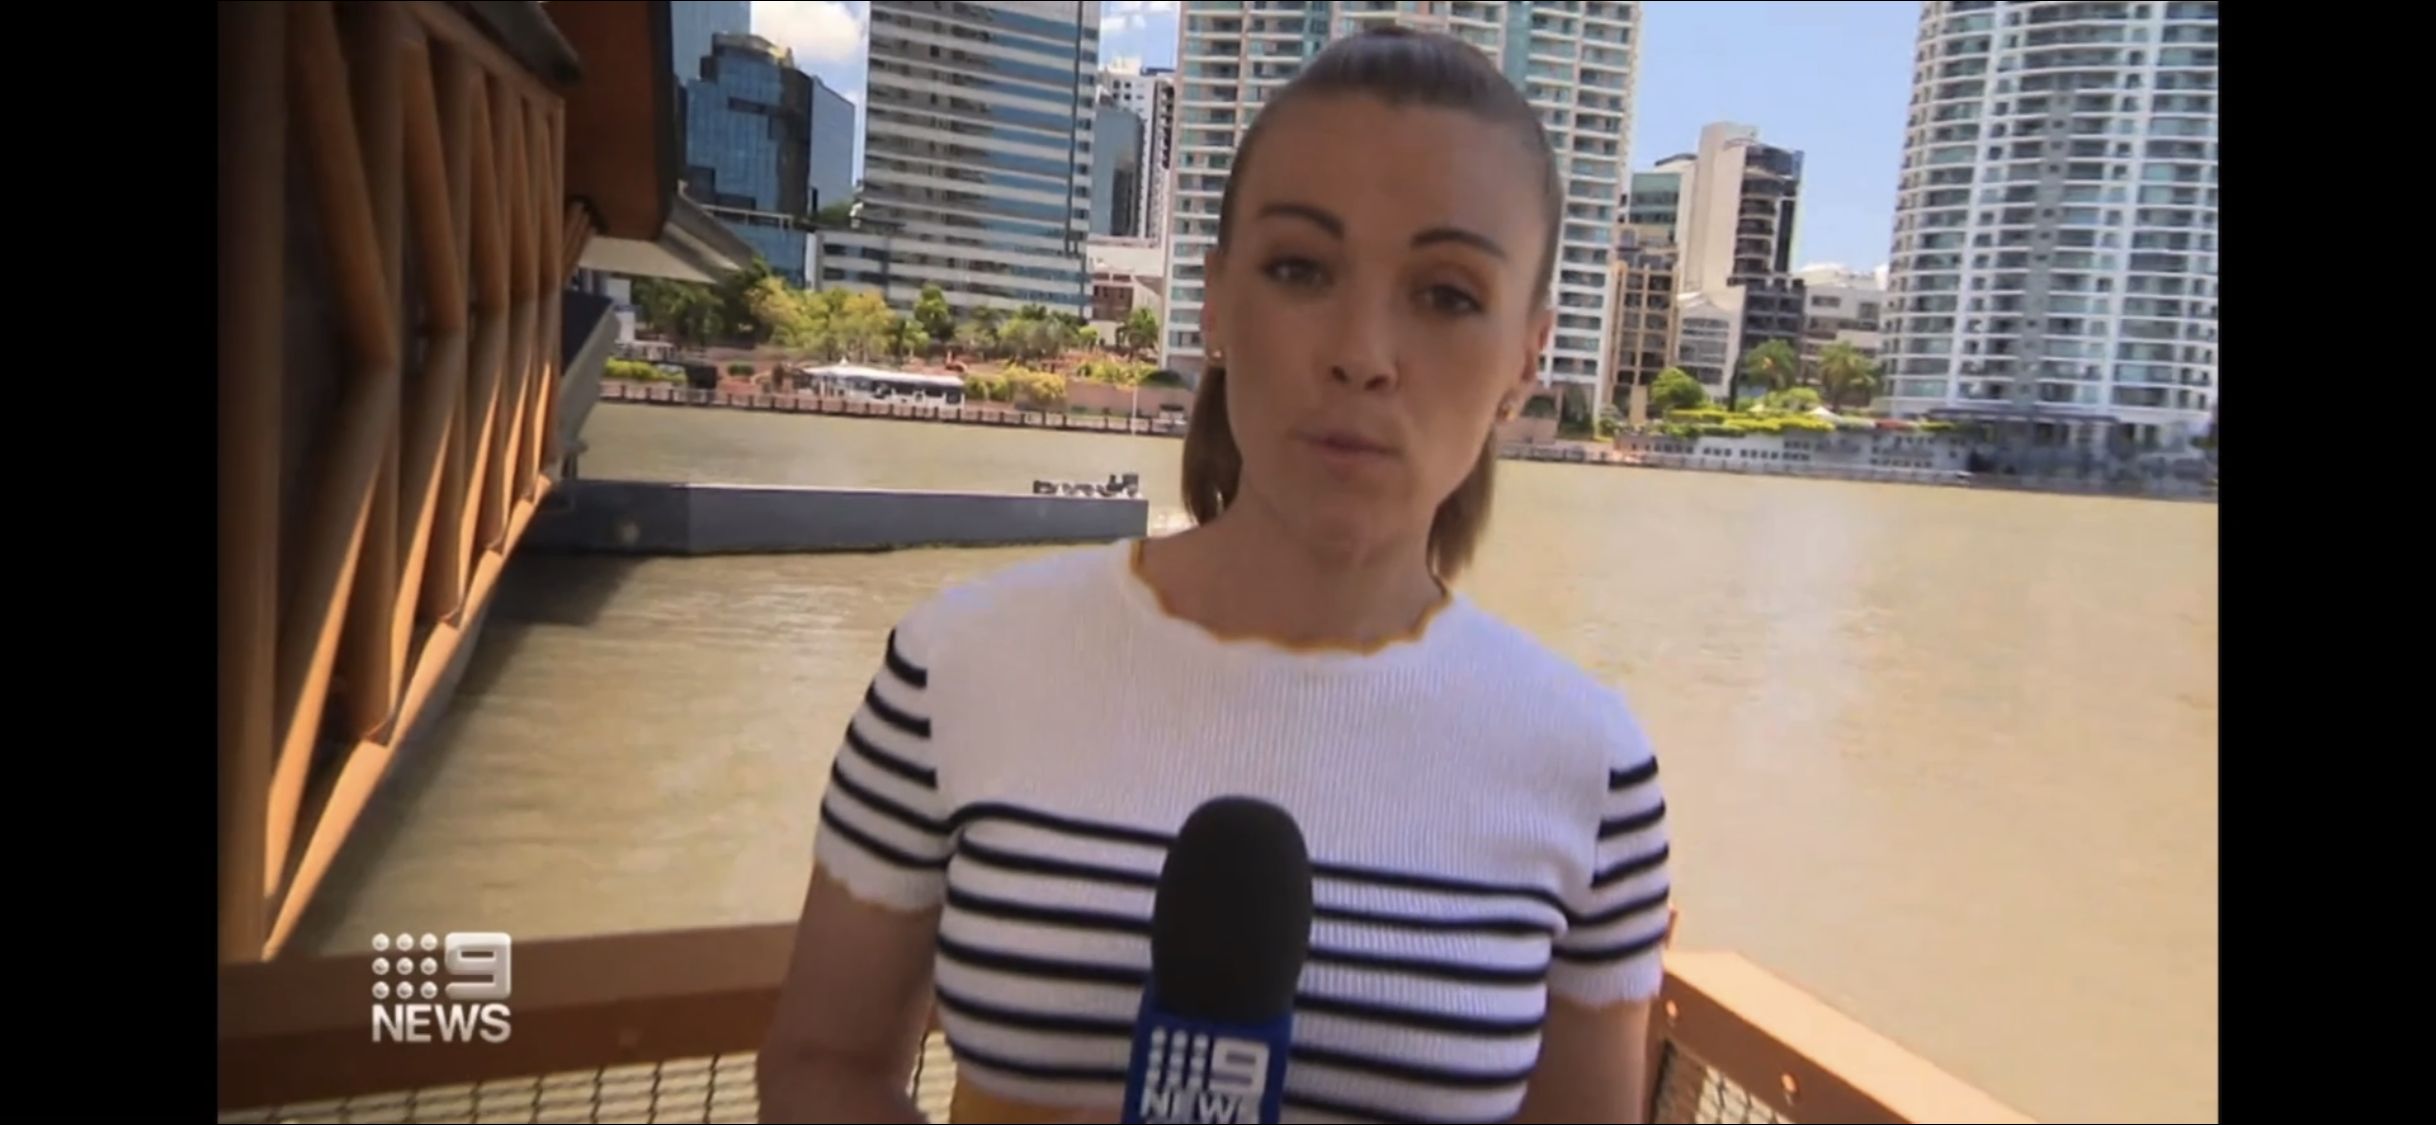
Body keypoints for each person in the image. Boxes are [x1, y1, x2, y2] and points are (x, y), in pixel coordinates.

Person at [758, 26, 1673, 1125]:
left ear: (1528, 358)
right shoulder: (954, 670)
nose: (1361, 353)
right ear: (1218, 302)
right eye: (1300, 269)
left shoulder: (1593, 773)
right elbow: (824, 1065)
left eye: (1446, 294)